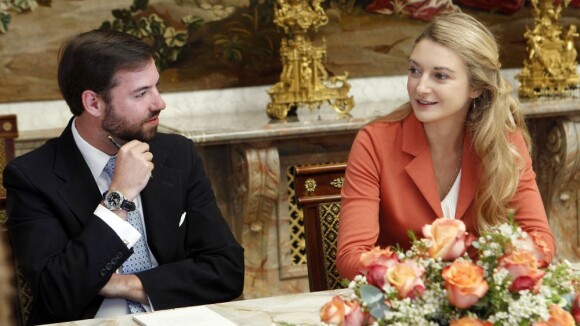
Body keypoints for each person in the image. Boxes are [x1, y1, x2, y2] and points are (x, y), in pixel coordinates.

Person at [3, 29, 244, 325]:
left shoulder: (177, 155)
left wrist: (127, 284)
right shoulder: (32, 177)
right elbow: (56, 295)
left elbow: (229, 271)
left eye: (156, 87)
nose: (159, 103)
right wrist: (118, 197)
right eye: (141, 94)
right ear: (93, 103)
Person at [336, 13, 556, 280]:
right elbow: (351, 256)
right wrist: (417, 282)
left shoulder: (505, 142)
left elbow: (541, 241)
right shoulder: (375, 142)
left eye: (440, 76)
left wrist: (485, 282)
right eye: (415, 70)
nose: (421, 88)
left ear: (475, 87)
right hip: (405, 308)